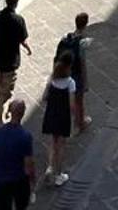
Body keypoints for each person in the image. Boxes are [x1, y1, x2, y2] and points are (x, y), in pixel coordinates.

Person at [0, 0, 32, 129]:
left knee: (0, 90)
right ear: (16, 2)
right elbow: (23, 40)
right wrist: (28, 48)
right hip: (11, 62)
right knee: (7, 95)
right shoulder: (19, 20)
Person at [0, 96, 37, 210]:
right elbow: (28, 165)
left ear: (9, 111)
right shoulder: (25, 136)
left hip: (1, 180)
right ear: (23, 113)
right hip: (19, 180)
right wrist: (33, 180)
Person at [40, 50, 77, 187]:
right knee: (61, 145)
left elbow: (44, 97)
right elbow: (72, 104)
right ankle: (59, 174)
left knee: (52, 142)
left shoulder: (52, 79)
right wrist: (72, 117)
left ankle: (49, 167)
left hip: (51, 114)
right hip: (63, 116)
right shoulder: (70, 83)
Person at [56, 13, 91, 132]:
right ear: (85, 25)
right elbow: (82, 63)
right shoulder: (81, 43)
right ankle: (80, 122)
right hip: (77, 74)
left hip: (66, 73)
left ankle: (77, 120)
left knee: (70, 98)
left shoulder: (65, 38)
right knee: (79, 100)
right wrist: (85, 80)